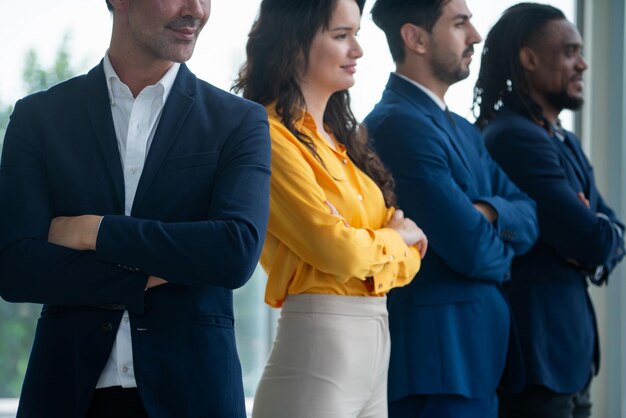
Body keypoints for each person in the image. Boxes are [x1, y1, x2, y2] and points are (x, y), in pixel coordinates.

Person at [0, 0, 271, 416]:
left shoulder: (238, 122)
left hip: (193, 397)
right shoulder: (39, 118)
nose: (197, 9)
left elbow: (234, 254)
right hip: (65, 395)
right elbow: (16, 268)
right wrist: (158, 271)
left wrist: (95, 232)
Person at [233, 0, 427, 416]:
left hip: (376, 338)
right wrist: (394, 238)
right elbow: (336, 250)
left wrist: (376, 249)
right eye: (342, 36)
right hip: (318, 345)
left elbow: (412, 262)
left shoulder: (345, 143)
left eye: (356, 34)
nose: (357, 50)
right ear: (295, 42)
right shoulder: (268, 135)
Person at [363, 0, 540, 417]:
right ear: (415, 38)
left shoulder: (460, 128)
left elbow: (530, 213)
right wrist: (499, 229)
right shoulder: (397, 124)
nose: (475, 36)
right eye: (460, 24)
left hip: (473, 362)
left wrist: (489, 211)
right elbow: (471, 248)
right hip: (439, 366)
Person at [474, 4, 625, 418]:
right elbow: (592, 238)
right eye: (570, 52)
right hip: (537, 361)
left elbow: (611, 231)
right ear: (529, 59)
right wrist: (594, 230)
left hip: (570, 357)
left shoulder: (561, 140)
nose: (584, 63)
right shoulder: (514, 137)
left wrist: (596, 230)